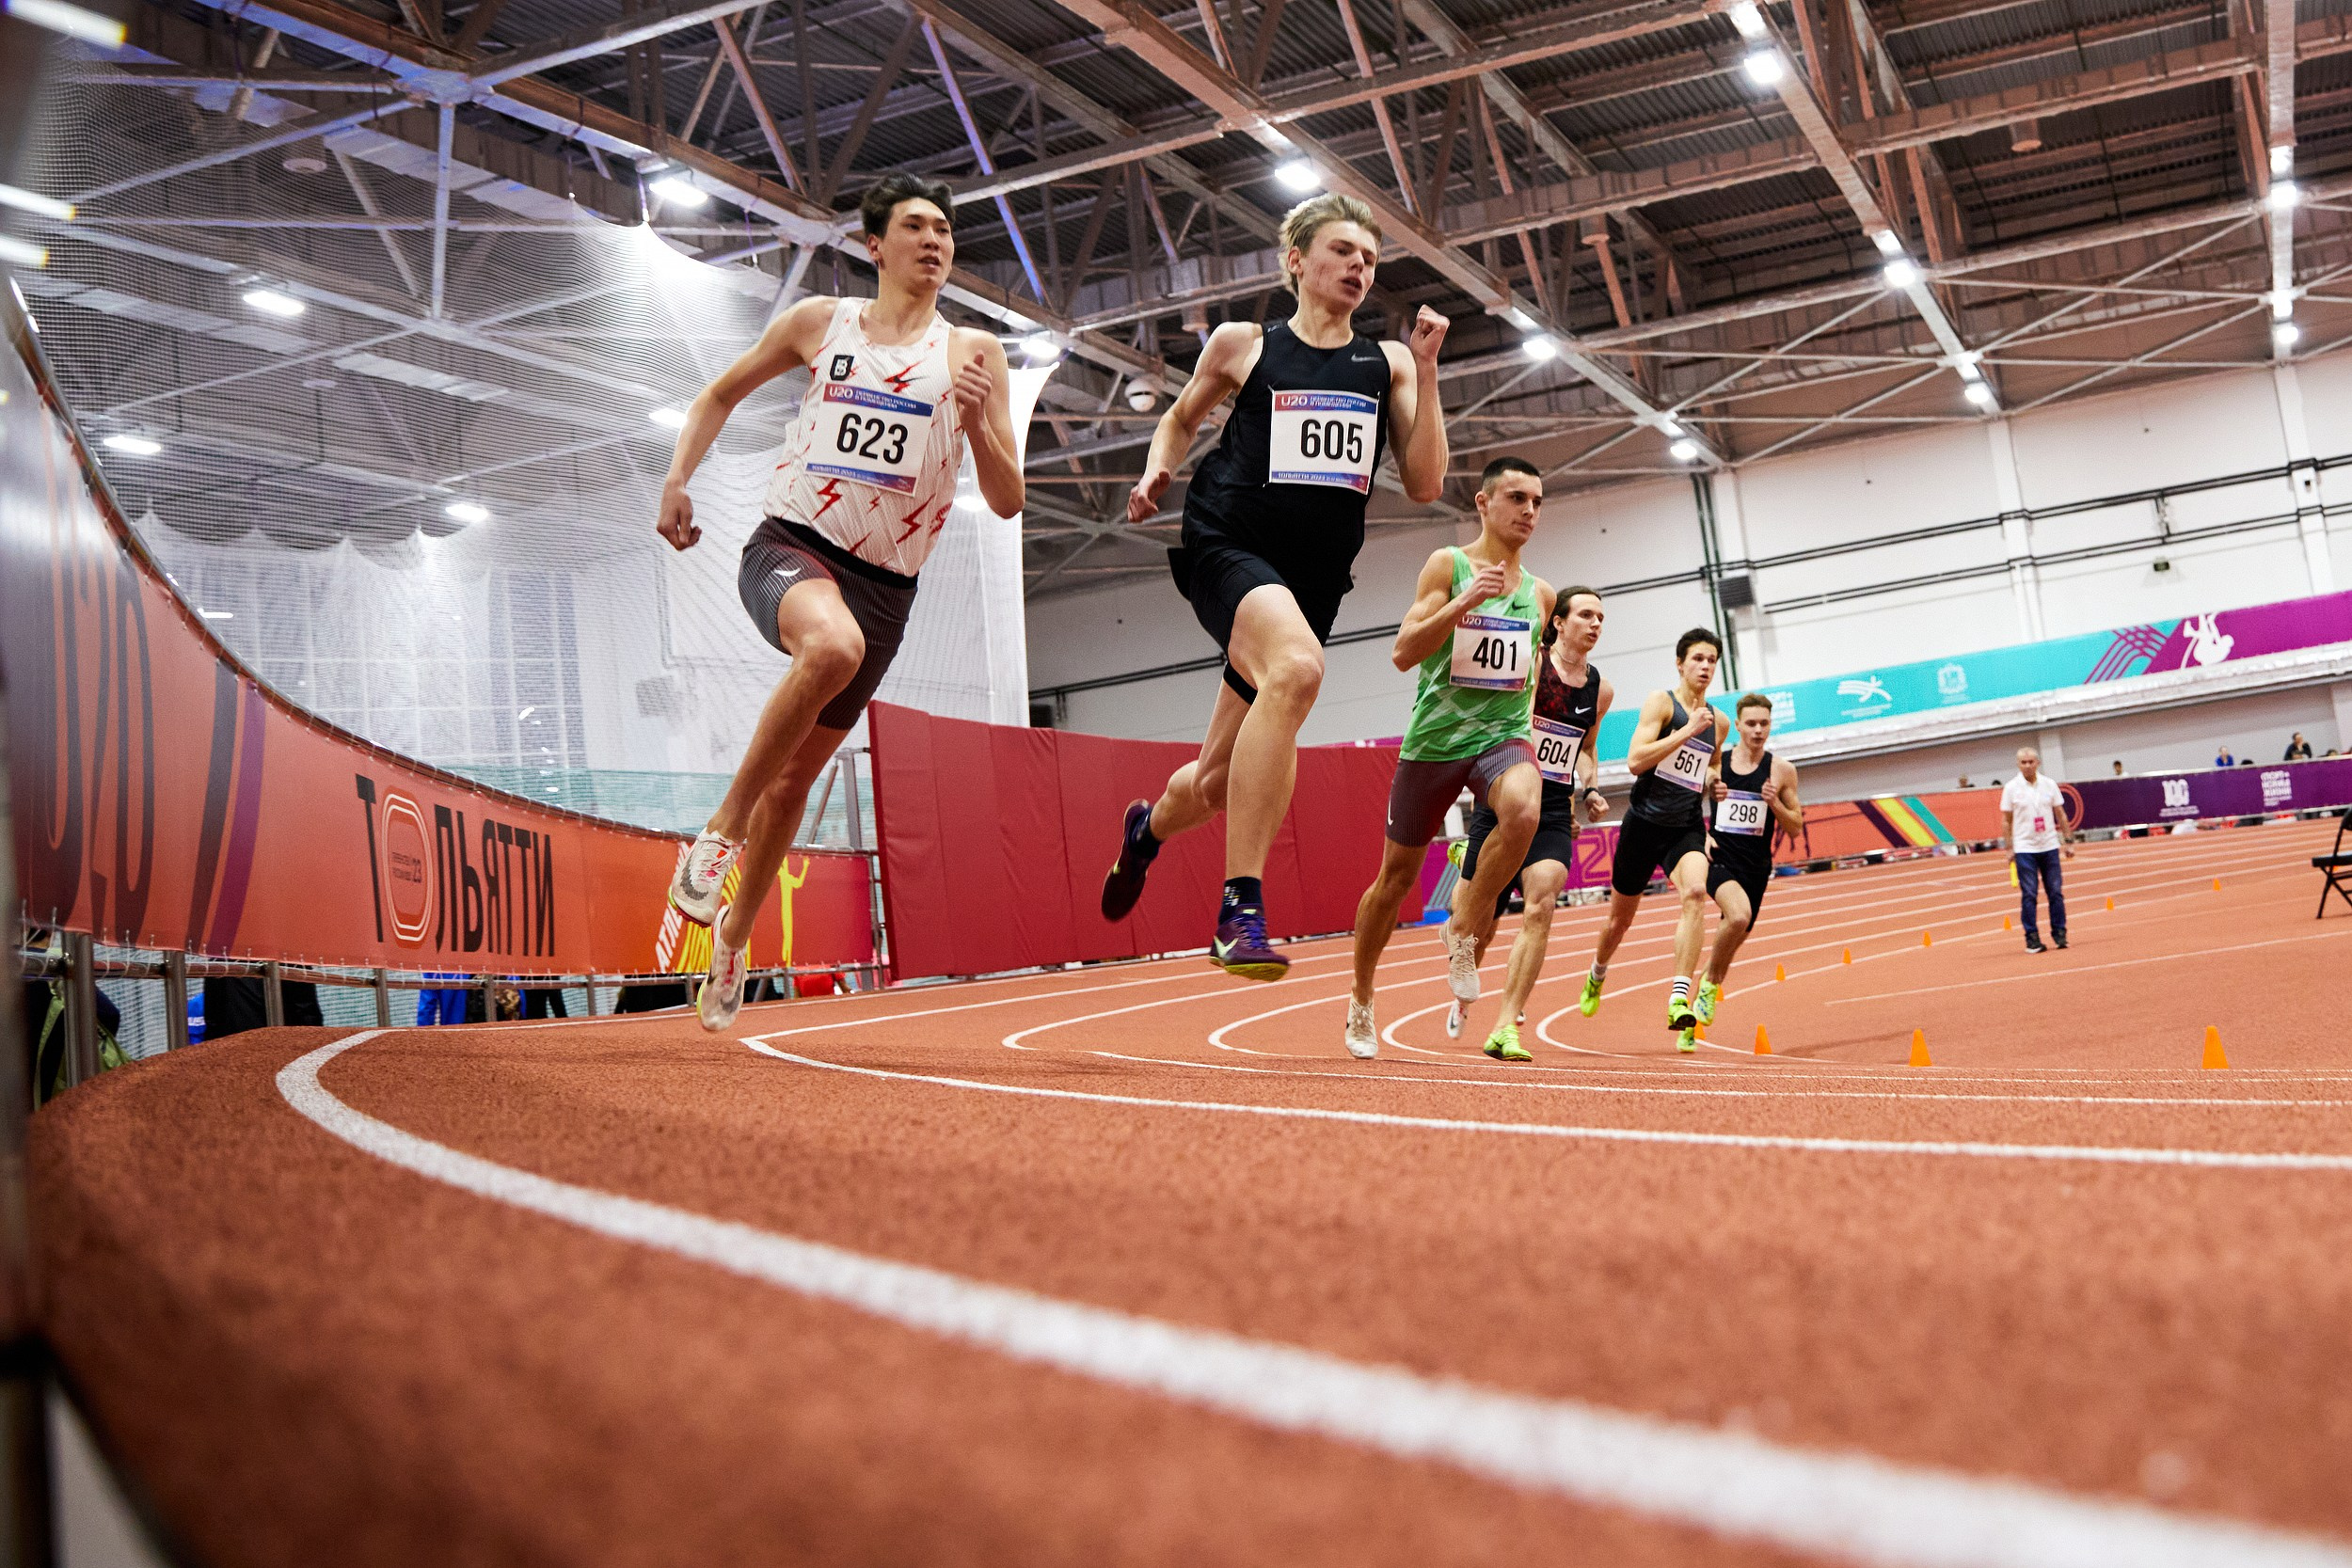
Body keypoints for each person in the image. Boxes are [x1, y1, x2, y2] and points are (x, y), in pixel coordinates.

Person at [654, 171, 1024, 1031]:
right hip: (793, 546)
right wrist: (677, 480)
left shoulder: (975, 353)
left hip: (889, 587)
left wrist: (975, 426)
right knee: (830, 649)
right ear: (875, 245)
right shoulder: (823, 325)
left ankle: (734, 944)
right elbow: (718, 393)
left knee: (797, 782)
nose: (935, 241)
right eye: (915, 226)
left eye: (945, 229)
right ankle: (716, 833)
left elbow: (1007, 499)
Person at [1097, 192, 1452, 982]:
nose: (1359, 266)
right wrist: (1160, 464)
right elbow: (1181, 418)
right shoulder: (1245, 345)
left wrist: (1426, 374)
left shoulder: (1387, 362)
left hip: (1312, 583)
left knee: (1219, 780)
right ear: (1296, 261)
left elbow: (1425, 483)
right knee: (1295, 671)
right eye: (1341, 252)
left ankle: (1146, 830)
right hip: (1229, 544)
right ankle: (1240, 908)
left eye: (1369, 257)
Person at [1342, 460, 1550, 1058]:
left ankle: (1463, 924)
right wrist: (1464, 601)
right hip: (1434, 743)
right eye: (1517, 498)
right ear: (1484, 503)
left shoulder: (1540, 594)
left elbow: (1528, 670)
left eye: (1538, 501)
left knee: (1523, 809)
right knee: (1395, 880)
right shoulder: (1447, 564)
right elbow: (1404, 653)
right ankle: (1360, 995)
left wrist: (1529, 725)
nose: (1529, 511)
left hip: (1500, 737)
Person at [1452, 585, 1612, 1061]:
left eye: (1601, 617)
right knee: (1475, 928)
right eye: (1586, 614)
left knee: (1542, 902)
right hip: (1504, 802)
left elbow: (1584, 747)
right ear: (1558, 622)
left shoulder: (1600, 688)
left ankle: (1506, 1025)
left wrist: (1592, 788)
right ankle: (1464, 935)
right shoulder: (1532, 664)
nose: (1596, 624)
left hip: (1555, 810)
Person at [1575, 629, 1727, 1053]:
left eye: (1712, 660)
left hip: (1685, 826)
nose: (1705, 666)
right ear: (1680, 663)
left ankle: (1680, 998)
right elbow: (1635, 760)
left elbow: (1710, 766)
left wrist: (1715, 781)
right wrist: (1687, 730)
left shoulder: (1720, 721)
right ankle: (1598, 972)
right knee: (1618, 922)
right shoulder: (1662, 703)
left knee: (1696, 892)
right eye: (1698, 658)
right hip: (1643, 824)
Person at [1695, 693, 1804, 1027]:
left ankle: (1705, 993)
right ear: (1738, 725)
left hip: (1756, 867)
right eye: (1751, 724)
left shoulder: (1782, 770)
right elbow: (1684, 804)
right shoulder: (1717, 765)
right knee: (1738, 917)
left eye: (1764, 724)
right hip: (1719, 859)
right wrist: (1702, 836)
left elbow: (1796, 827)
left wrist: (1775, 805)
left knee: (1732, 940)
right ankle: (1706, 988)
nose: (1758, 730)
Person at [2001, 745, 2073, 952]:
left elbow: (2060, 813)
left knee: (2055, 892)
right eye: (2023, 762)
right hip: (2025, 848)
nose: (2027, 765)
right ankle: (2031, 937)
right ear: (2018, 764)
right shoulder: (2011, 788)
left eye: (2031, 762)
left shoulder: (2049, 785)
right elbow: (2006, 820)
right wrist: (2009, 847)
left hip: (2049, 844)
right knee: (2030, 894)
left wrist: (2068, 841)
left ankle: (2060, 933)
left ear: (2038, 763)